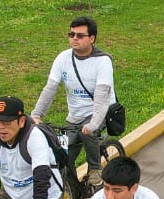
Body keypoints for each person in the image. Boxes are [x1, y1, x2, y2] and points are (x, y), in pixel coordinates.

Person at [32, 15, 116, 171]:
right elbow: (50, 89)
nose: (74, 39)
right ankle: (72, 187)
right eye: (71, 35)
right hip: (74, 116)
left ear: (92, 38)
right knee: (63, 156)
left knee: (87, 133)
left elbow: (102, 97)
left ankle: (95, 171)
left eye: (80, 35)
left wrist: (94, 124)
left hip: (99, 112)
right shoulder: (63, 58)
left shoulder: (103, 61)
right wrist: (37, 114)